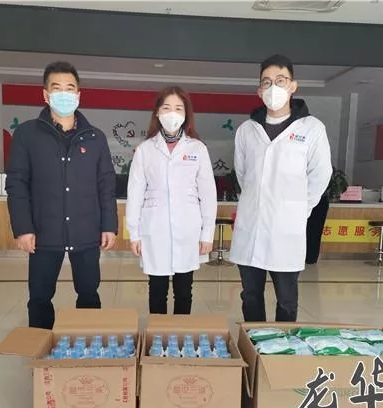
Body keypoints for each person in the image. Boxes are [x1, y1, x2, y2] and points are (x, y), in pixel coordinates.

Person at [5, 61, 117, 330]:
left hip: (86, 231)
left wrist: (109, 226)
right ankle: (40, 347)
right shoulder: (27, 134)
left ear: (78, 94)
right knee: (40, 296)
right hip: (44, 232)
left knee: (89, 293)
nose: (64, 94)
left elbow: (106, 185)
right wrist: (23, 228)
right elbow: (17, 184)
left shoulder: (95, 137)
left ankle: (87, 344)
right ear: (45, 95)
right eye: (57, 88)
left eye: (70, 88)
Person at [230, 54, 332, 322]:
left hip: (287, 228)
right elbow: (243, 174)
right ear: (259, 90)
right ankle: (253, 343)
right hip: (251, 226)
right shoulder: (247, 130)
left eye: (280, 80)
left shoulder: (312, 128)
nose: (273, 87)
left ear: (293, 86)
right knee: (250, 295)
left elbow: (321, 174)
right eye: (266, 82)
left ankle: (281, 347)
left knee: (286, 299)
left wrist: (298, 208)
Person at [126, 86, 217, 315]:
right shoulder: (145, 150)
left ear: (186, 114)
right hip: (154, 229)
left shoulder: (197, 148)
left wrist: (207, 234)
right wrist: (134, 233)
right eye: (166, 108)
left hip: (188, 230)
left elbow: (208, 194)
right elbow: (135, 193)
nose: (172, 113)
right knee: (157, 291)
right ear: (157, 112)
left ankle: (180, 334)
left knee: (184, 291)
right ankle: (156, 335)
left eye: (178, 108)